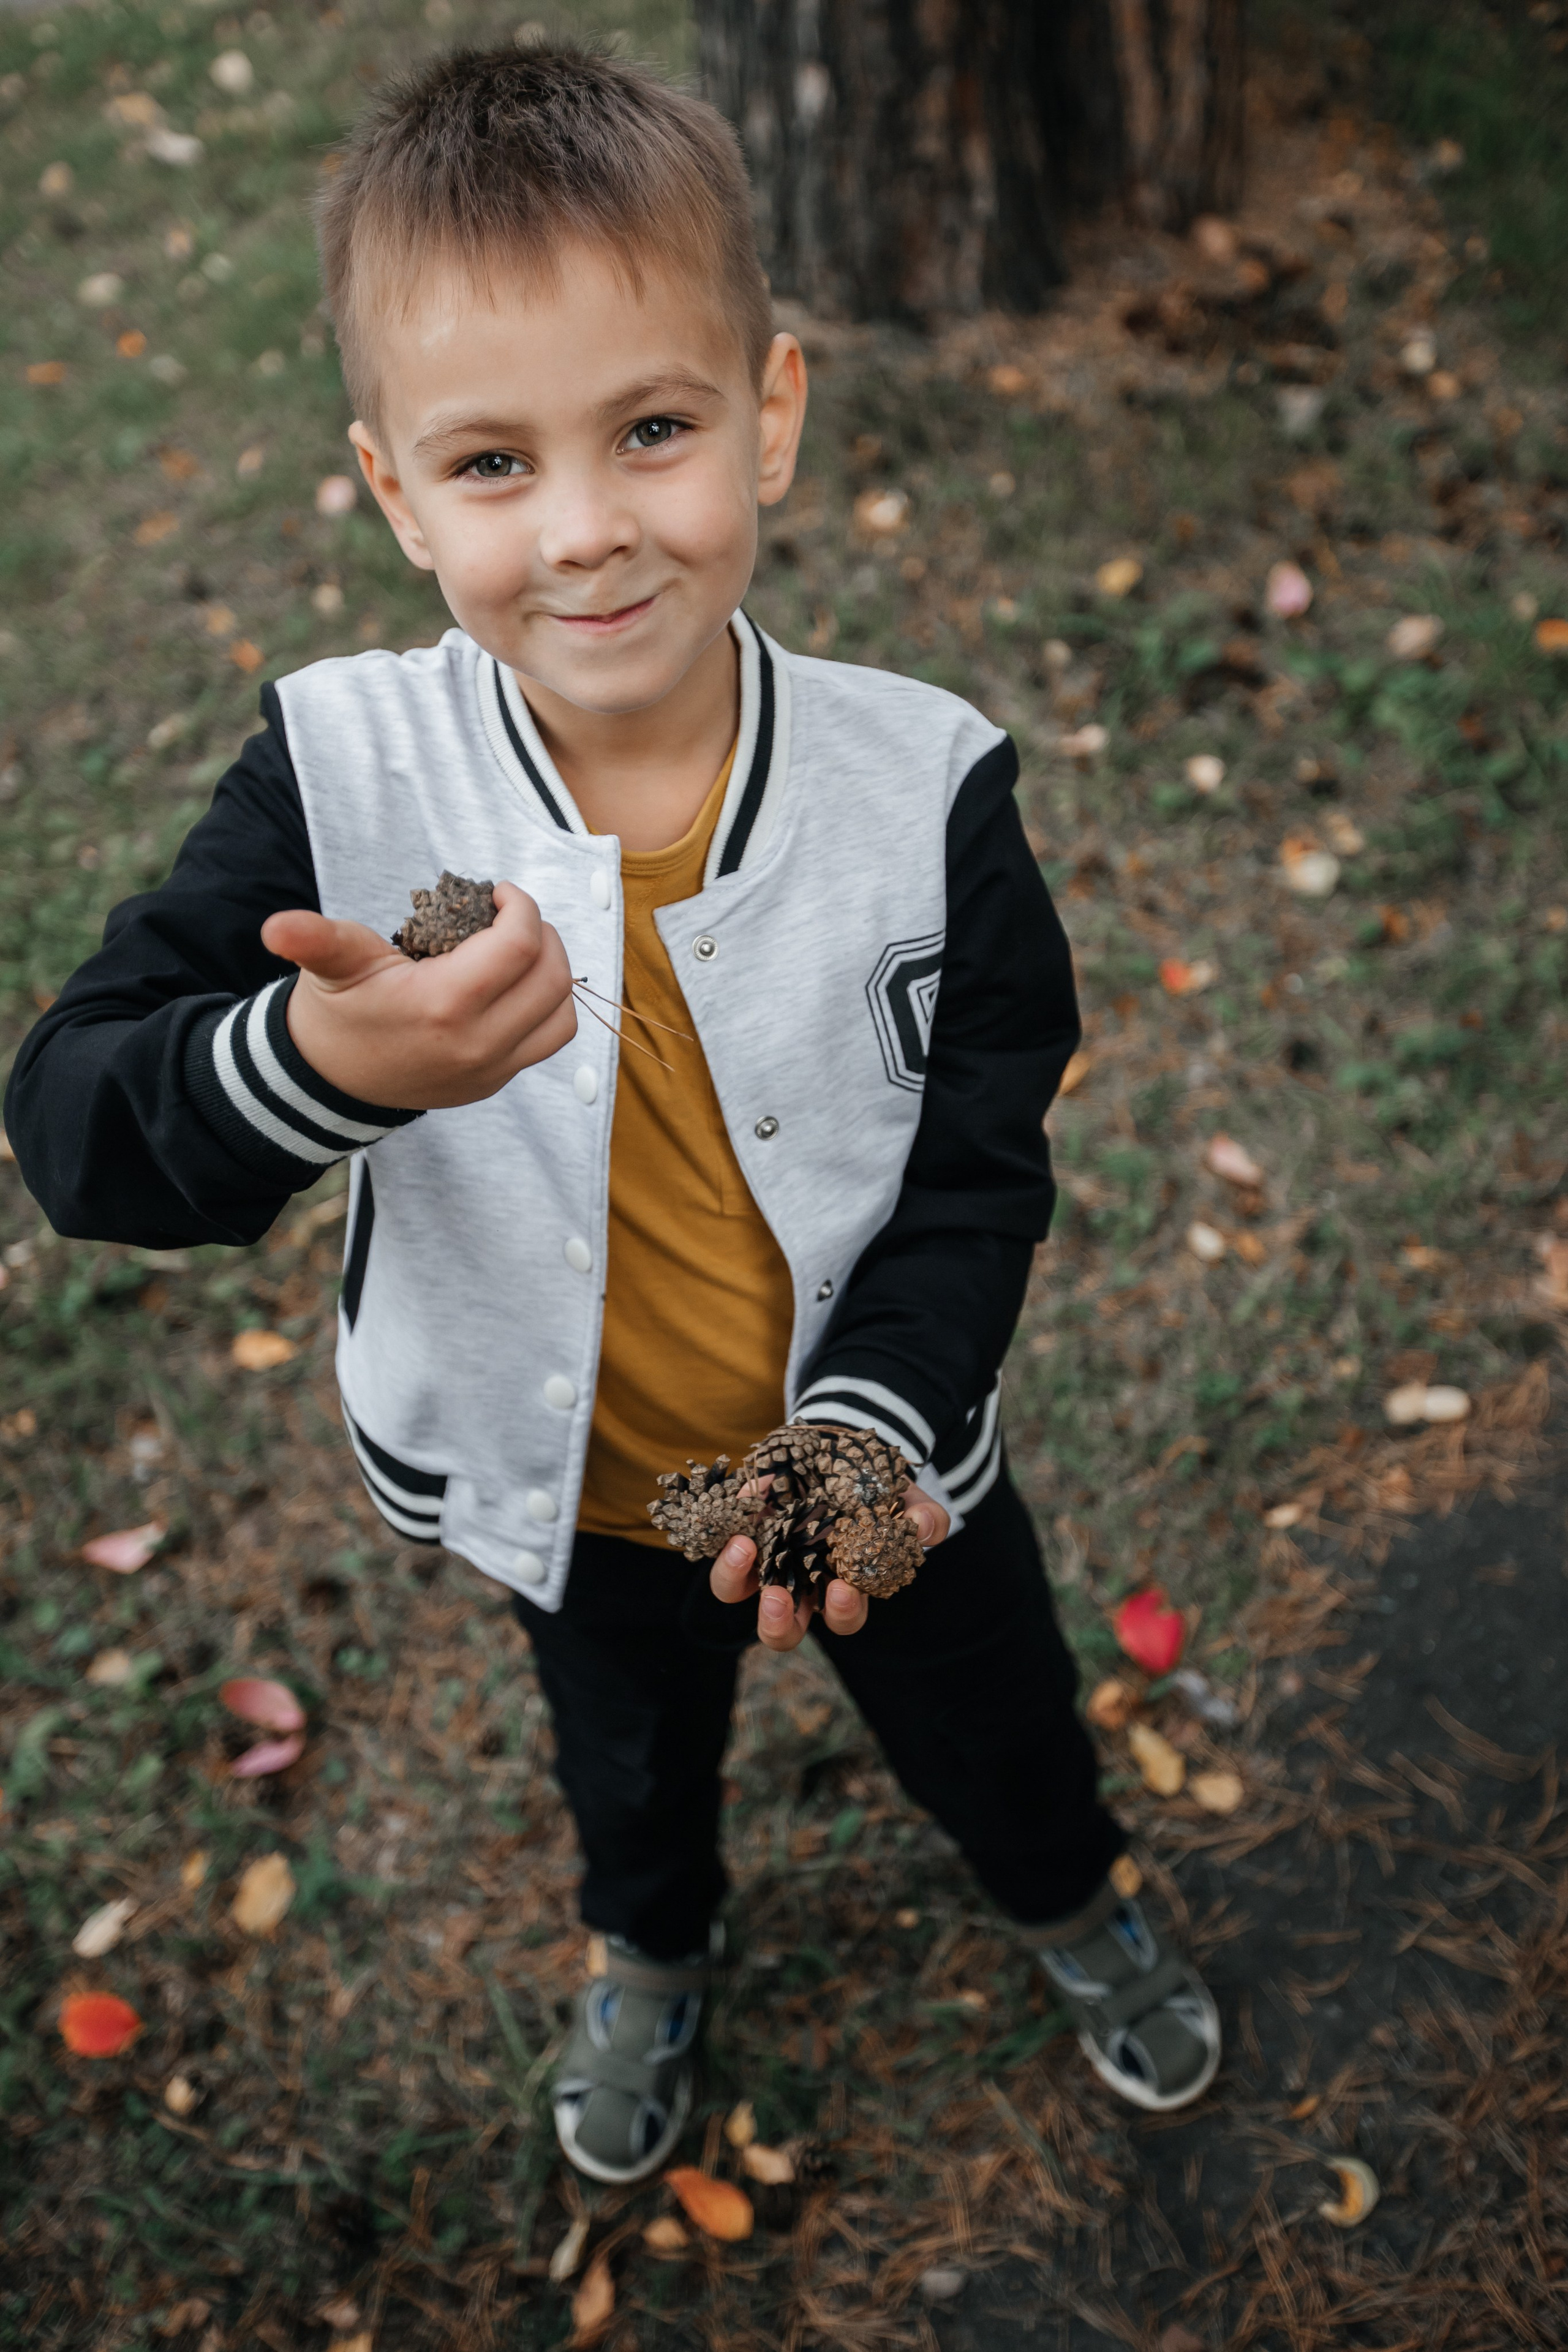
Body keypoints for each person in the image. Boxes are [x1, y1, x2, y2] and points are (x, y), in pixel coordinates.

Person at [4, 43, 1219, 2184]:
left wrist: (871, 1422)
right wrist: (312, 1071)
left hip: (864, 1445)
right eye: (491, 463)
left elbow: (979, 1159)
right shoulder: (340, 776)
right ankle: (651, 1953)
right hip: (578, 1486)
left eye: (651, 429)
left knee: (995, 1720)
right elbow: (74, 1122)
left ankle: (1070, 1897)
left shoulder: (930, 791)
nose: (584, 530)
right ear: (393, 493)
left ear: (769, 408)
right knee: (632, 1765)